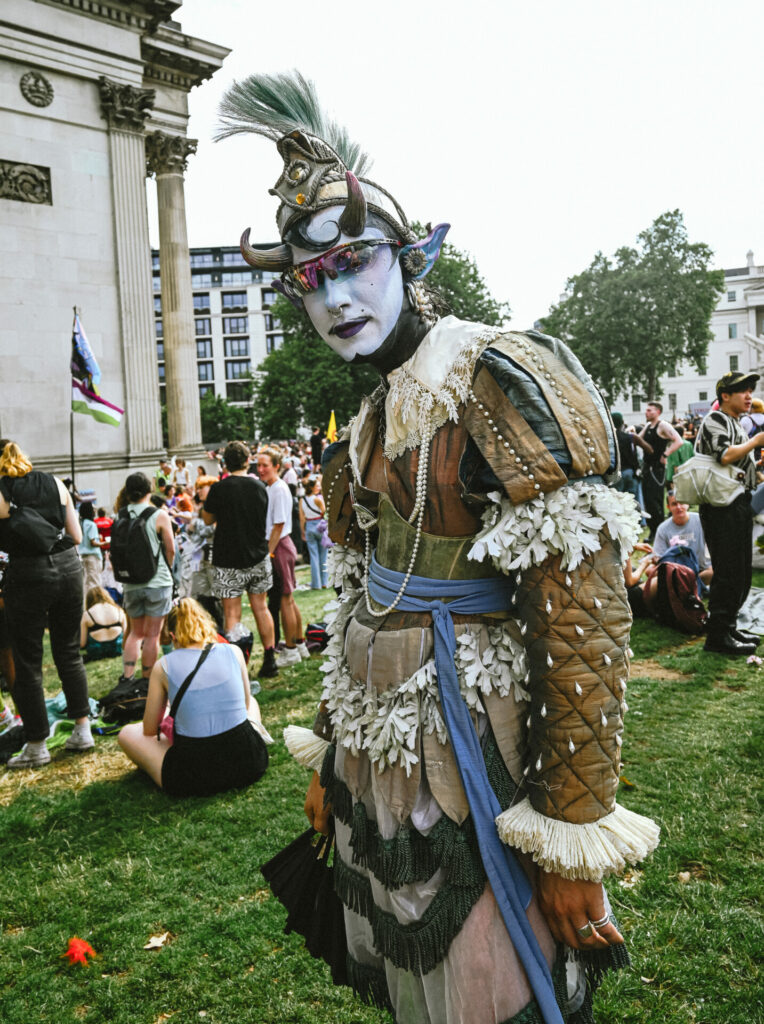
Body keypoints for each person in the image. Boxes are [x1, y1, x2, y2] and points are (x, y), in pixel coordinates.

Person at [220, 72, 659, 1023]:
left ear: (410, 257)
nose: (334, 296)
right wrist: (332, 765)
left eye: (354, 263)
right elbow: (361, 603)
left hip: (485, 759)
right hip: (384, 763)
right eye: (308, 279)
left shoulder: (497, 376)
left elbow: (583, 619)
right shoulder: (369, 421)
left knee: (501, 981)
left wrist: (569, 834)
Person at [0, 440, 94, 767]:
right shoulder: (53, 482)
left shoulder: (2, 490)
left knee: (28, 661)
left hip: (27, 573)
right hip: (69, 567)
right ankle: (83, 729)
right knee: (68, 651)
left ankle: (37, 744)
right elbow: (77, 536)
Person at [117, 598, 269, 796]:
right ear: (205, 624)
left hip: (193, 776)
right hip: (249, 763)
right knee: (253, 703)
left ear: (173, 635)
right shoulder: (233, 651)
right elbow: (245, 705)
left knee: (127, 733)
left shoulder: (164, 666)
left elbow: (148, 730)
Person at [695, 372, 764, 655]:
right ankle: (717, 637)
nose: (749, 396)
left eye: (750, 390)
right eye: (743, 391)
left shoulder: (735, 423)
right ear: (725, 395)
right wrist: (756, 440)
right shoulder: (715, 420)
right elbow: (724, 455)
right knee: (727, 572)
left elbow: (739, 471)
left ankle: (727, 626)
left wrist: (757, 468)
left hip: (736, 504)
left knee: (740, 572)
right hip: (721, 508)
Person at [201, 440, 277, 677]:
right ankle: (270, 658)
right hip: (257, 554)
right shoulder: (260, 488)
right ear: (247, 461)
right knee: (261, 608)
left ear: (225, 463)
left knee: (232, 613)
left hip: (227, 558)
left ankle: (236, 664)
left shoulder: (219, 489)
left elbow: (206, 519)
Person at [116, 473, 175, 685]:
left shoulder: (120, 515)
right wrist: (168, 568)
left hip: (131, 582)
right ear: (150, 491)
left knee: (135, 634)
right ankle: (147, 678)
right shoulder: (159, 515)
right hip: (157, 581)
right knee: (152, 635)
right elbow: (170, 549)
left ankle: (127, 676)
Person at [256, 448, 307, 667]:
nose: (260, 469)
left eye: (265, 465)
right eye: (258, 465)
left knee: (286, 599)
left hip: (279, 545)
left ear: (276, 466)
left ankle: (291, 649)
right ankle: (300, 643)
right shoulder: (274, 488)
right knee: (289, 598)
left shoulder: (277, 489)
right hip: (282, 544)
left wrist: (268, 552)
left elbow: (277, 525)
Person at [638, 402, 683, 541]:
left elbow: (678, 440)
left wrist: (665, 454)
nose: (646, 412)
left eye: (649, 410)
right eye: (646, 410)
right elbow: (638, 439)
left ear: (658, 411)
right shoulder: (647, 426)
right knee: (648, 501)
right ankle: (654, 531)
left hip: (657, 469)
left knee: (655, 500)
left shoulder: (663, 425)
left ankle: (658, 532)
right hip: (647, 467)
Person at [653, 494, 713, 586]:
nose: (679, 507)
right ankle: (693, 585)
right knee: (650, 571)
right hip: (677, 571)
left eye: (682, 503)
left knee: (715, 571)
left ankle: (685, 585)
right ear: (668, 507)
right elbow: (659, 556)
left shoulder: (701, 520)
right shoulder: (663, 528)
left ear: (688, 504)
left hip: (702, 568)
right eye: (674, 504)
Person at [612, 411, 651, 502]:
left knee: (617, 502)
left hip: (615, 474)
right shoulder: (631, 437)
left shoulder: (609, 439)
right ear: (622, 423)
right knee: (634, 502)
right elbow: (649, 449)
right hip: (630, 472)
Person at [80, 585, 127, 661]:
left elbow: (82, 643)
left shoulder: (87, 614)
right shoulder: (119, 610)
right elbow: (126, 635)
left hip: (96, 651)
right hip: (117, 648)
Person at [300, 476, 328, 589]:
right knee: (324, 555)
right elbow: (325, 512)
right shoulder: (318, 499)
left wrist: (302, 531)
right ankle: (325, 582)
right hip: (320, 526)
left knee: (314, 556)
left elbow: (302, 518)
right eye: (317, 485)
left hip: (309, 526)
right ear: (312, 487)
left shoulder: (302, 500)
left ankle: (316, 584)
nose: (319, 487)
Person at [77, 500, 105, 594]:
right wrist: (104, 543)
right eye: (93, 508)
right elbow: (93, 542)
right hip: (93, 556)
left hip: (83, 556)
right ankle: (96, 603)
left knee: (86, 583)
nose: (94, 510)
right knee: (95, 582)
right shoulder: (91, 525)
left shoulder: (80, 524)